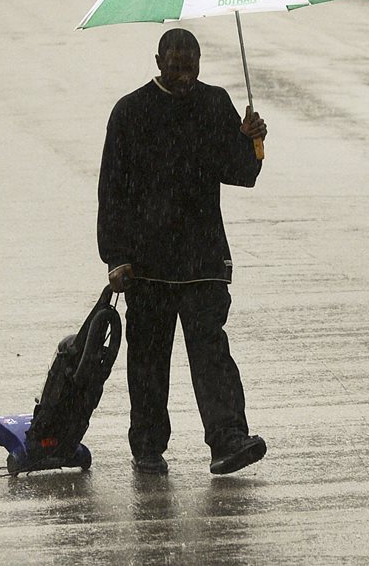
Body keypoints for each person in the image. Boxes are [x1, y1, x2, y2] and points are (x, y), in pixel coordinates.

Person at [98, 27, 268, 476]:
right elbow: (111, 191)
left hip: (203, 261)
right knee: (148, 361)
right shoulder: (130, 112)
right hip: (147, 266)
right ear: (157, 62)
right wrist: (116, 257)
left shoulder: (214, 104)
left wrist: (251, 139)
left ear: (199, 63)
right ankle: (148, 445)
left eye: (189, 66)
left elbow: (241, 172)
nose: (182, 75)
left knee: (212, 354)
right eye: (173, 66)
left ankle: (228, 440)